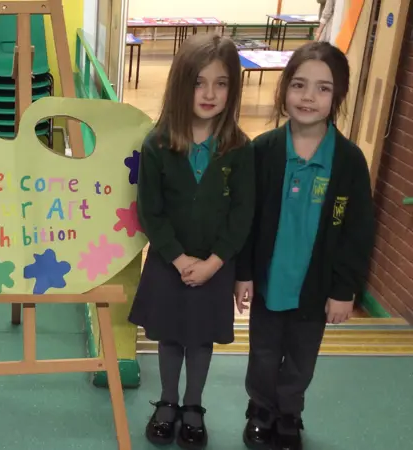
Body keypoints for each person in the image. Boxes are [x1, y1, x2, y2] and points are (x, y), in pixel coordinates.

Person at [236, 41, 375, 450]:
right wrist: (243, 274)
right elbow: (246, 221)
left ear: (338, 97)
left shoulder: (349, 161)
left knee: (301, 359)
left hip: (315, 289)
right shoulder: (262, 151)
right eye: (299, 85)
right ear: (283, 90)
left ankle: (288, 413)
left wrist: (343, 290)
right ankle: (260, 410)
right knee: (262, 353)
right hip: (268, 282)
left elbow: (358, 232)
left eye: (323, 88)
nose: (308, 97)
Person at [128, 34, 255, 449]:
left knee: (201, 338)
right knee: (168, 335)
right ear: (182, 85)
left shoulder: (239, 148)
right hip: (169, 263)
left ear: (232, 89)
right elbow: (151, 210)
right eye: (199, 82)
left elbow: (242, 214)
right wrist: (179, 259)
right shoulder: (159, 144)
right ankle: (166, 402)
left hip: (217, 266)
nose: (210, 93)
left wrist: (216, 262)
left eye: (221, 84)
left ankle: (193, 405)